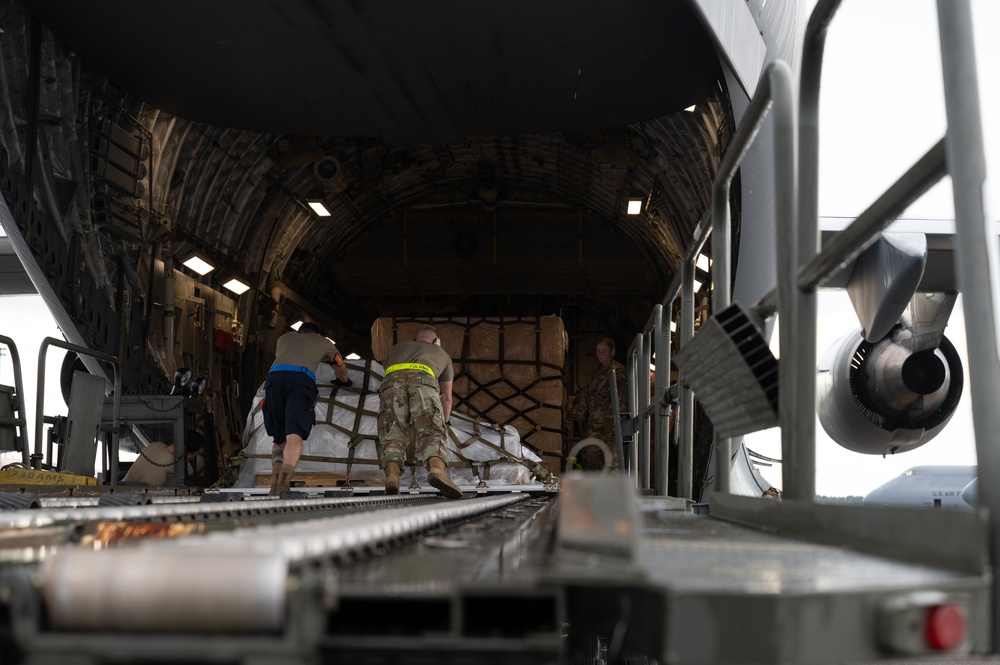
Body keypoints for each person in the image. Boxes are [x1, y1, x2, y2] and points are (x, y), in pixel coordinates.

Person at [263, 321, 350, 495]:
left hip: (274, 379)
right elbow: (342, 370)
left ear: (300, 331)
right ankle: (284, 483)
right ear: (316, 333)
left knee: (279, 438)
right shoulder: (324, 342)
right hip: (300, 381)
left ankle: (274, 484)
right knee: (294, 433)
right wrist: (344, 381)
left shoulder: (284, 338)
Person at [377, 325, 462, 499]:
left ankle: (392, 476)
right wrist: (444, 422)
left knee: (392, 432)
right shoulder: (443, 354)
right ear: (436, 341)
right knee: (432, 430)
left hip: (392, 381)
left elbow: (388, 370)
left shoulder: (396, 349)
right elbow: (447, 398)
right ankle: (437, 470)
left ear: (415, 339)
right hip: (423, 378)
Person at [571, 337, 627, 471]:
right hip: (593, 426)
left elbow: (621, 399)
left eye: (604, 351)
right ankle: (595, 491)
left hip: (610, 427)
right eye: (598, 351)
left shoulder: (618, 371)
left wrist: (613, 423)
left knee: (611, 463)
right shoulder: (594, 372)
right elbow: (586, 397)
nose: (601, 354)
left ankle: (612, 492)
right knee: (592, 462)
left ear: (612, 352)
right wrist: (580, 418)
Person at [121, 434, 204, 486]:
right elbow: (190, 474)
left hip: (120, 491)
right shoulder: (177, 465)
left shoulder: (156, 444)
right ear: (190, 453)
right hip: (138, 503)